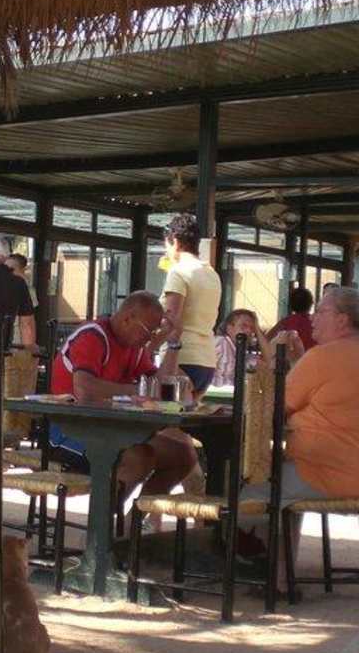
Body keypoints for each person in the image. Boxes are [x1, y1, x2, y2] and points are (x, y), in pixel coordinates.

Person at [240, 286, 359, 559]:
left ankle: (250, 563)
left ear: (341, 320)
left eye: (320, 311)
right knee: (280, 480)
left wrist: (275, 359)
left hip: (330, 474)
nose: (312, 317)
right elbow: (326, 396)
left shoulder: (322, 357)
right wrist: (298, 360)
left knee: (248, 490)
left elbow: (272, 409)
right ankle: (280, 569)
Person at [48, 290, 198, 504]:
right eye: (149, 331)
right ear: (128, 318)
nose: (151, 338)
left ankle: (132, 522)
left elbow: (159, 387)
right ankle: (103, 523)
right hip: (69, 429)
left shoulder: (135, 347)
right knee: (139, 458)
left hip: (112, 428)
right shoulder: (93, 336)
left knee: (182, 456)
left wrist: (173, 343)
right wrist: (136, 390)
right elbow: (84, 389)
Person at [159, 213, 223, 394]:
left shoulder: (178, 272)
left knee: (167, 411)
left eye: (166, 246)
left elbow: (171, 319)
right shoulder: (212, 274)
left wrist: (146, 349)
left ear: (175, 242)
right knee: (189, 412)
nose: (166, 252)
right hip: (207, 361)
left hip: (180, 359)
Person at [214, 308, 260, 382]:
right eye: (244, 326)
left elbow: (269, 360)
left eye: (252, 328)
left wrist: (258, 329)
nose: (249, 331)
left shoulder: (243, 353)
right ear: (229, 328)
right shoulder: (220, 343)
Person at [266, 286, 316, 353]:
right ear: (311, 304)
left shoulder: (285, 322)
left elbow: (266, 340)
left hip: (290, 358)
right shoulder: (316, 322)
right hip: (313, 357)